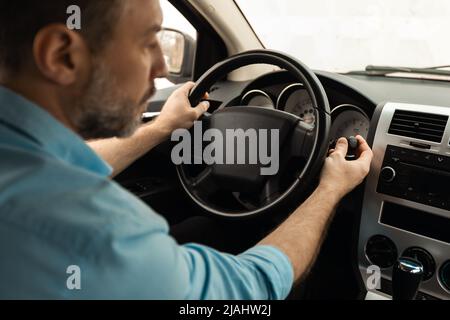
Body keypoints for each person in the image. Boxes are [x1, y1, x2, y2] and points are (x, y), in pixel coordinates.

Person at [0, 0, 373, 299]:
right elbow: (248, 288)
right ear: (62, 55)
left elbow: (67, 164)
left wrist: (163, 127)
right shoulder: (97, 235)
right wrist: (329, 190)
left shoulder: (22, 160)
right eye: (148, 42)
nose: (163, 66)